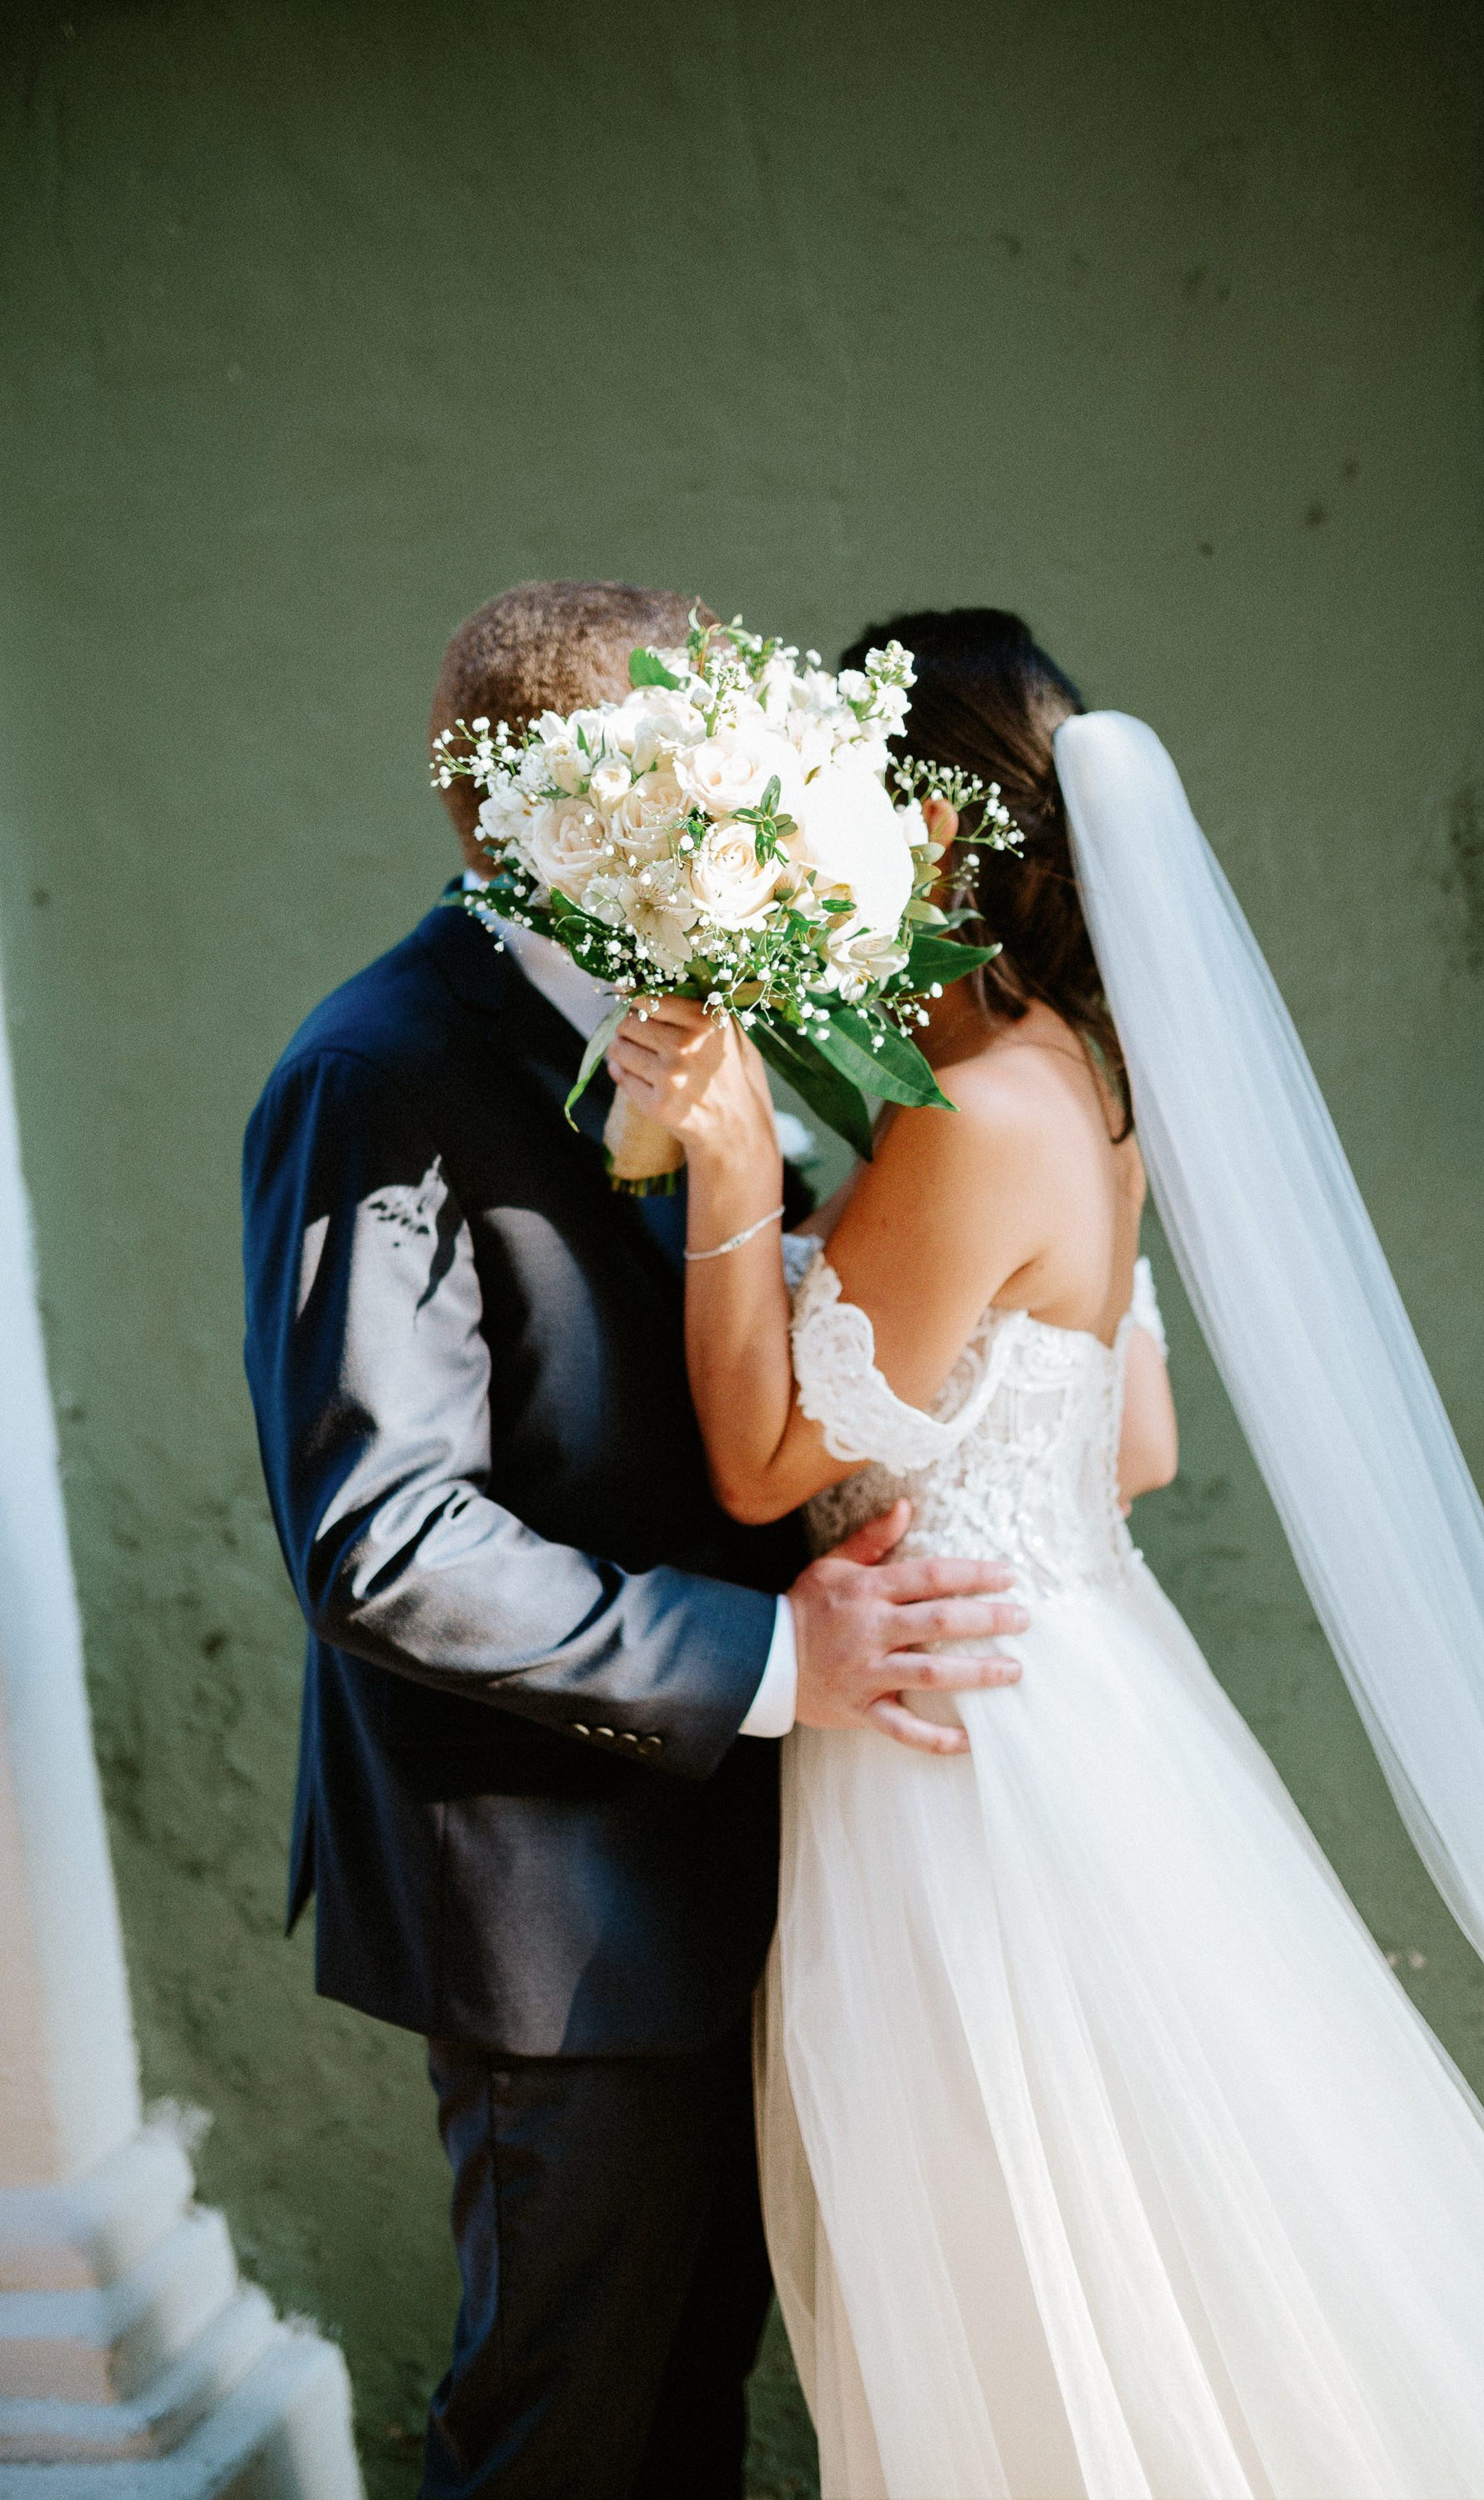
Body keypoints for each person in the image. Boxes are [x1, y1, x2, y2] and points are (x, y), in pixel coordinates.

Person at [607, 607, 1484, 2498]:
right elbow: (1141, 1446)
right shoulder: (1090, 1085)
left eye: (825, 814)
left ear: (925, 842)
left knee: (1040, 2260)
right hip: (1097, 1693)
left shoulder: (972, 1116)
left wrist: (741, 1178)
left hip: (974, 1748)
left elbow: (769, 1464)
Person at [239, 580, 1027, 2500]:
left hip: (741, 1862)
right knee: (566, 2437)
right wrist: (781, 1661)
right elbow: (382, 1537)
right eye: (708, 775)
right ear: (576, 811)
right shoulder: (380, 1071)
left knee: (686, 2418)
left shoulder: (705, 1024)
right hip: (550, 1907)